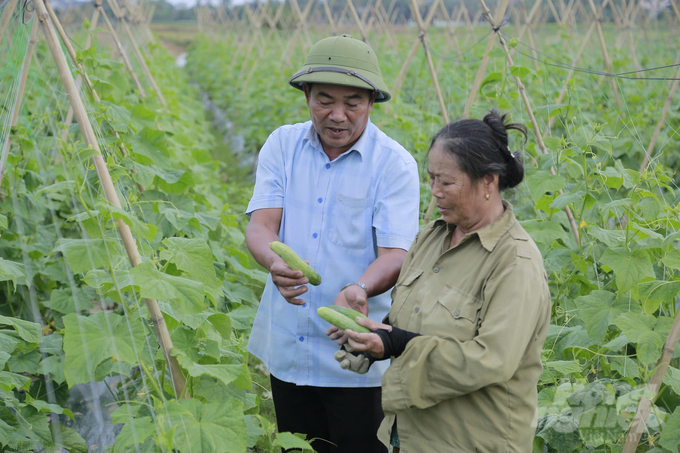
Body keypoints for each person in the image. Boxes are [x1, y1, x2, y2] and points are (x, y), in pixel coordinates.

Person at [333, 110, 551, 452]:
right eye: (431, 179)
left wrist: (395, 344)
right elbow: (411, 323)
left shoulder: (515, 262)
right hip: (409, 436)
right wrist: (373, 338)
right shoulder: (430, 239)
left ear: (489, 182)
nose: (435, 192)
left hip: (471, 441)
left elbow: (491, 359)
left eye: (446, 182)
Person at [244, 34, 420, 453]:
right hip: (289, 346)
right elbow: (260, 225)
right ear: (306, 95)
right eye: (324, 100)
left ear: (372, 102)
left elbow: (397, 254)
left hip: (355, 358)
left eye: (352, 103)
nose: (337, 115)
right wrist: (274, 261)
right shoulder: (282, 146)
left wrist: (359, 288)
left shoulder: (394, 164)